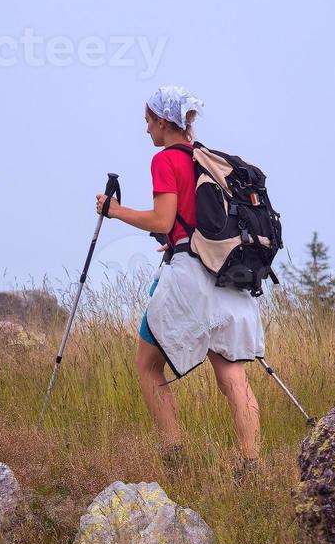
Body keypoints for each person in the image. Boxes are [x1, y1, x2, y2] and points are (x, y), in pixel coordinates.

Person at [95, 86, 263, 478]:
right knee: (231, 372)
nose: (146, 130)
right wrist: (176, 243)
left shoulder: (166, 160)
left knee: (148, 364)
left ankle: (175, 457)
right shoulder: (205, 158)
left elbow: (162, 221)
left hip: (191, 280)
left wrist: (115, 210)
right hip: (227, 275)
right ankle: (251, 463)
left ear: (162, 121)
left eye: (148, 121)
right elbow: (192, 222)